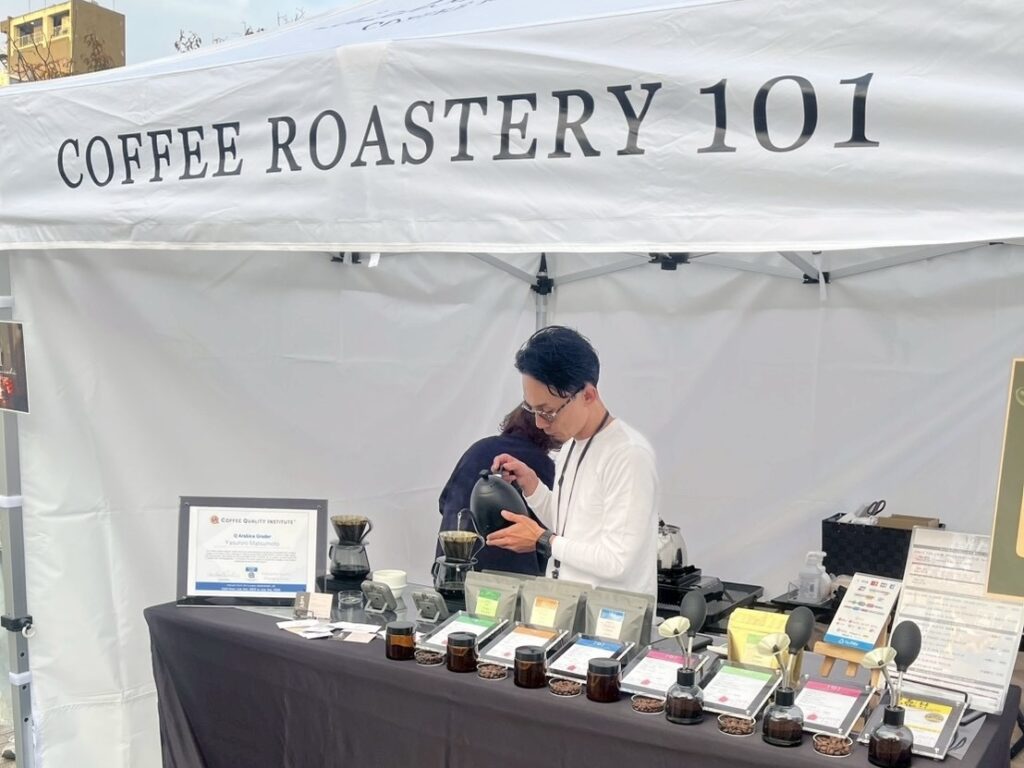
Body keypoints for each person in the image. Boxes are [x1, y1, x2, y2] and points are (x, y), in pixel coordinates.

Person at [487, 326, 659, 596]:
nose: (539, 423)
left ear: (588, 395)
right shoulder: (570, 447)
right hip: (566, 605)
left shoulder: (628, 454)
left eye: (547, 411)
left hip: (610, 614)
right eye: (532, 410)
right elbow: (568, 527)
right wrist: (532, 486)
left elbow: (617, 561)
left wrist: (542, 540)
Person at [437, 405, 560, 575]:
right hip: (506, 576)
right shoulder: (543, 465)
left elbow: (444, 503)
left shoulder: (478, 449)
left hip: (449, 565)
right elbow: (553, 526)